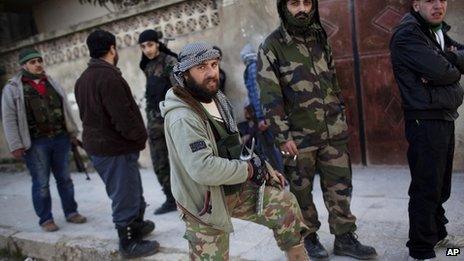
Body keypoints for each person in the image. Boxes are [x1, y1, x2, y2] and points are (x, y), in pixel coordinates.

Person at [160, 42, 310, 260]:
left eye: (213, 64)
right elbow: (203, 168)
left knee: (285, 204)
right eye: (202, 67)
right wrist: (249, 170)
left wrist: (264, 168)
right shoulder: (183, 117)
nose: (212, 73)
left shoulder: (218, 99)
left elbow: (234, 145)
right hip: (204, 203)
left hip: (233, 188)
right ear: (184, 74)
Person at [257, 0, 377, 259]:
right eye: (294, 3)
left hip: (333, 131)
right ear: (283, 7)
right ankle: (309, 237)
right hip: (298, 138)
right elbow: (269, 96)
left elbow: (333, 80)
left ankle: (345, 237)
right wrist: (283, 136)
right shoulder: (272, 46)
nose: (301, 9)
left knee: (340, 186)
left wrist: (340, 117)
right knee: (301, 191)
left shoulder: (320, 37)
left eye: (306, 2)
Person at [74, 29, 159, 258]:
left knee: (131, 189)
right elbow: (123, 117)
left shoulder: (83, 79)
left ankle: (137, 226)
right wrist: (139, 138)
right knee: (124, 194)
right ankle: (128, 242)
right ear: (112, 48)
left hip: (105, 147)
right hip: (112, 148)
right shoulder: (109, 77)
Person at [390, 0, 464, 260]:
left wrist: (447, 59)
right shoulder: (408, 34)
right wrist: (450, 66)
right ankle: (421, 250)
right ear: (416, 4)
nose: (438, 5)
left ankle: (439, 234)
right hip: (425, 119)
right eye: (430, 0)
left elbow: (447, 66)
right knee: (426, 186)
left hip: (442, 114)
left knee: (441, 184)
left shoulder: (435, 30)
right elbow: (444, 73)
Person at [1, 48, 87, 232]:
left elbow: (65, 109)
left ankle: (71, 212)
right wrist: (16, 145)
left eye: (39, 60)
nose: (38, 64)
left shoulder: (51, 82)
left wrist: (72, 132)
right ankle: (46, 219)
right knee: (41, 183)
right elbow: (9, 118)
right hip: (35, 143)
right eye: (33, 62)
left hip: (60, 139)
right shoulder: (13, 88)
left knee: (65, 179)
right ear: (24, 65)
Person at [138, 29, 178, 215]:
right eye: (143, 46)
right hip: (154, 122)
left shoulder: (169, 62)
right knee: (159, 162)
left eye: (150, 45)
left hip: (171, 119)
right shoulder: (147, 66)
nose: (147, 49)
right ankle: (171, 198)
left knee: (182, 161)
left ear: (157, 44)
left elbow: (179, 90)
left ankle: (195, 197)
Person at [240, 43, 284, 173]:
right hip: (269, 112)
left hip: (264, 116)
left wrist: (260, 118)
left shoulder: (252, 68)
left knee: (270, 147)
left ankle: (279, 174)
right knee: (269, 146)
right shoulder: (260, 65)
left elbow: (256, 94)